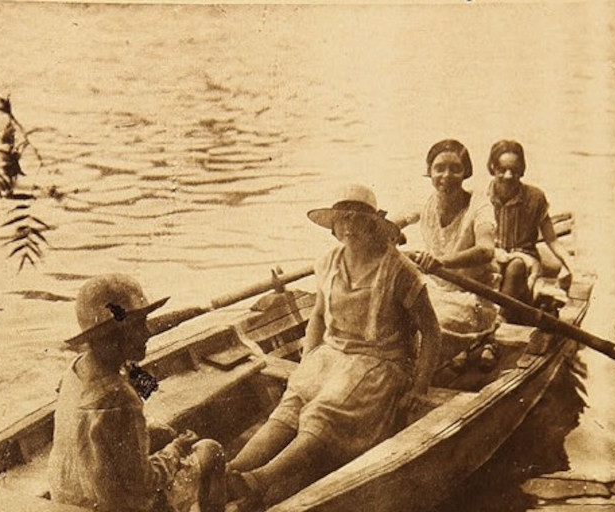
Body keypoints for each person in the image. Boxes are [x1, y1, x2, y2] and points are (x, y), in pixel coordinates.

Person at [226, 184, 442, 510]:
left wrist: (420, 385)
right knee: (292, 403)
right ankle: (230, 473)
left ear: (373, 224)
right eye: (343, 220)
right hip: (331, 357)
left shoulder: (399, 270)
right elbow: (317, 316)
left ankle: (260, 481)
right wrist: (307, 362)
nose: (350, 227)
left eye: (358, 220)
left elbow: (432, 331)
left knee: (324, 409)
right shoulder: (328, 261)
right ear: (334, 227)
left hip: (382, 363)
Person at [49, 274, 226, 512]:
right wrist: (176, 449)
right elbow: (144, 482)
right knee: (211, 451)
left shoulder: (75, 369)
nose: (147, 333)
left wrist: (152, 432)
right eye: (139, 325)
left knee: (160, 436)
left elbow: (101, 436)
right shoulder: (119, 396)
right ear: (112, 335)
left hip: (72, 501)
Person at [398, 139, 499, 336]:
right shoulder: (424, 201)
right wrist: (388, 234)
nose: (446, 176)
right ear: (430, 172)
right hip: (434, 291)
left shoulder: (480, 206)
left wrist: (440, 262)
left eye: (455, 169)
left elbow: (486, 250)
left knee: (428, 324)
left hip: (472, 296)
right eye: (439, 169)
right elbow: (393, 222)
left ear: (466, 173)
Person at [486, 140, 572, 322]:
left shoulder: (535, 198)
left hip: (525, 262)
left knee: (515, 265)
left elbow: (552, 240)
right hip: (493, 255)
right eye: (502, 169)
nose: (508, 176)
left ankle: (500, 319)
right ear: (492, 168)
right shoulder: (481, 198)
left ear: (522, 170)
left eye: (515, 170)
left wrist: (569, 266)